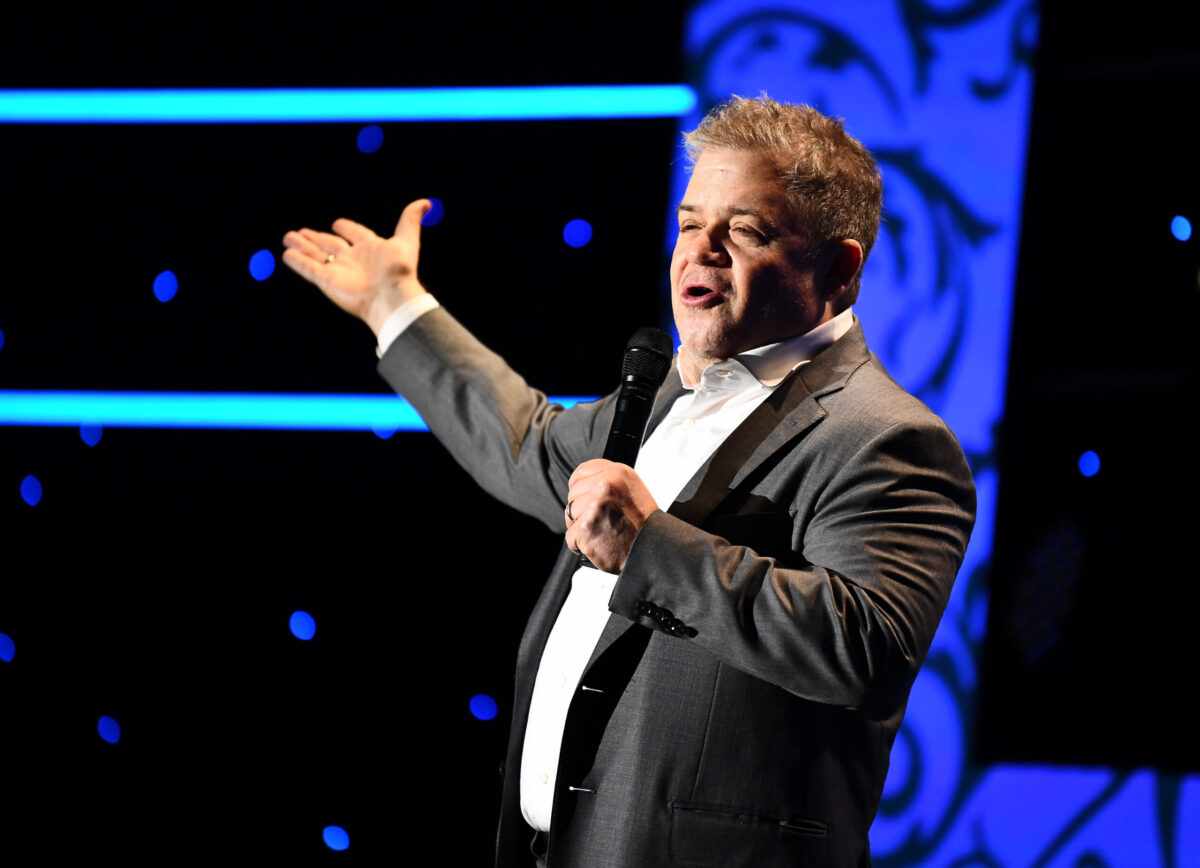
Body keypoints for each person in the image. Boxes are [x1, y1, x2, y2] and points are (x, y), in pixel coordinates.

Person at [282, 95, 975, 867]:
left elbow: (862, 648)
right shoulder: (662, 398)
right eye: (689, 224)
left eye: (744, 230)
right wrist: (394, 305)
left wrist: (651, 546)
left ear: (839, 268)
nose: (698, 252)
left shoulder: (888, 439)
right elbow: (526, 445)